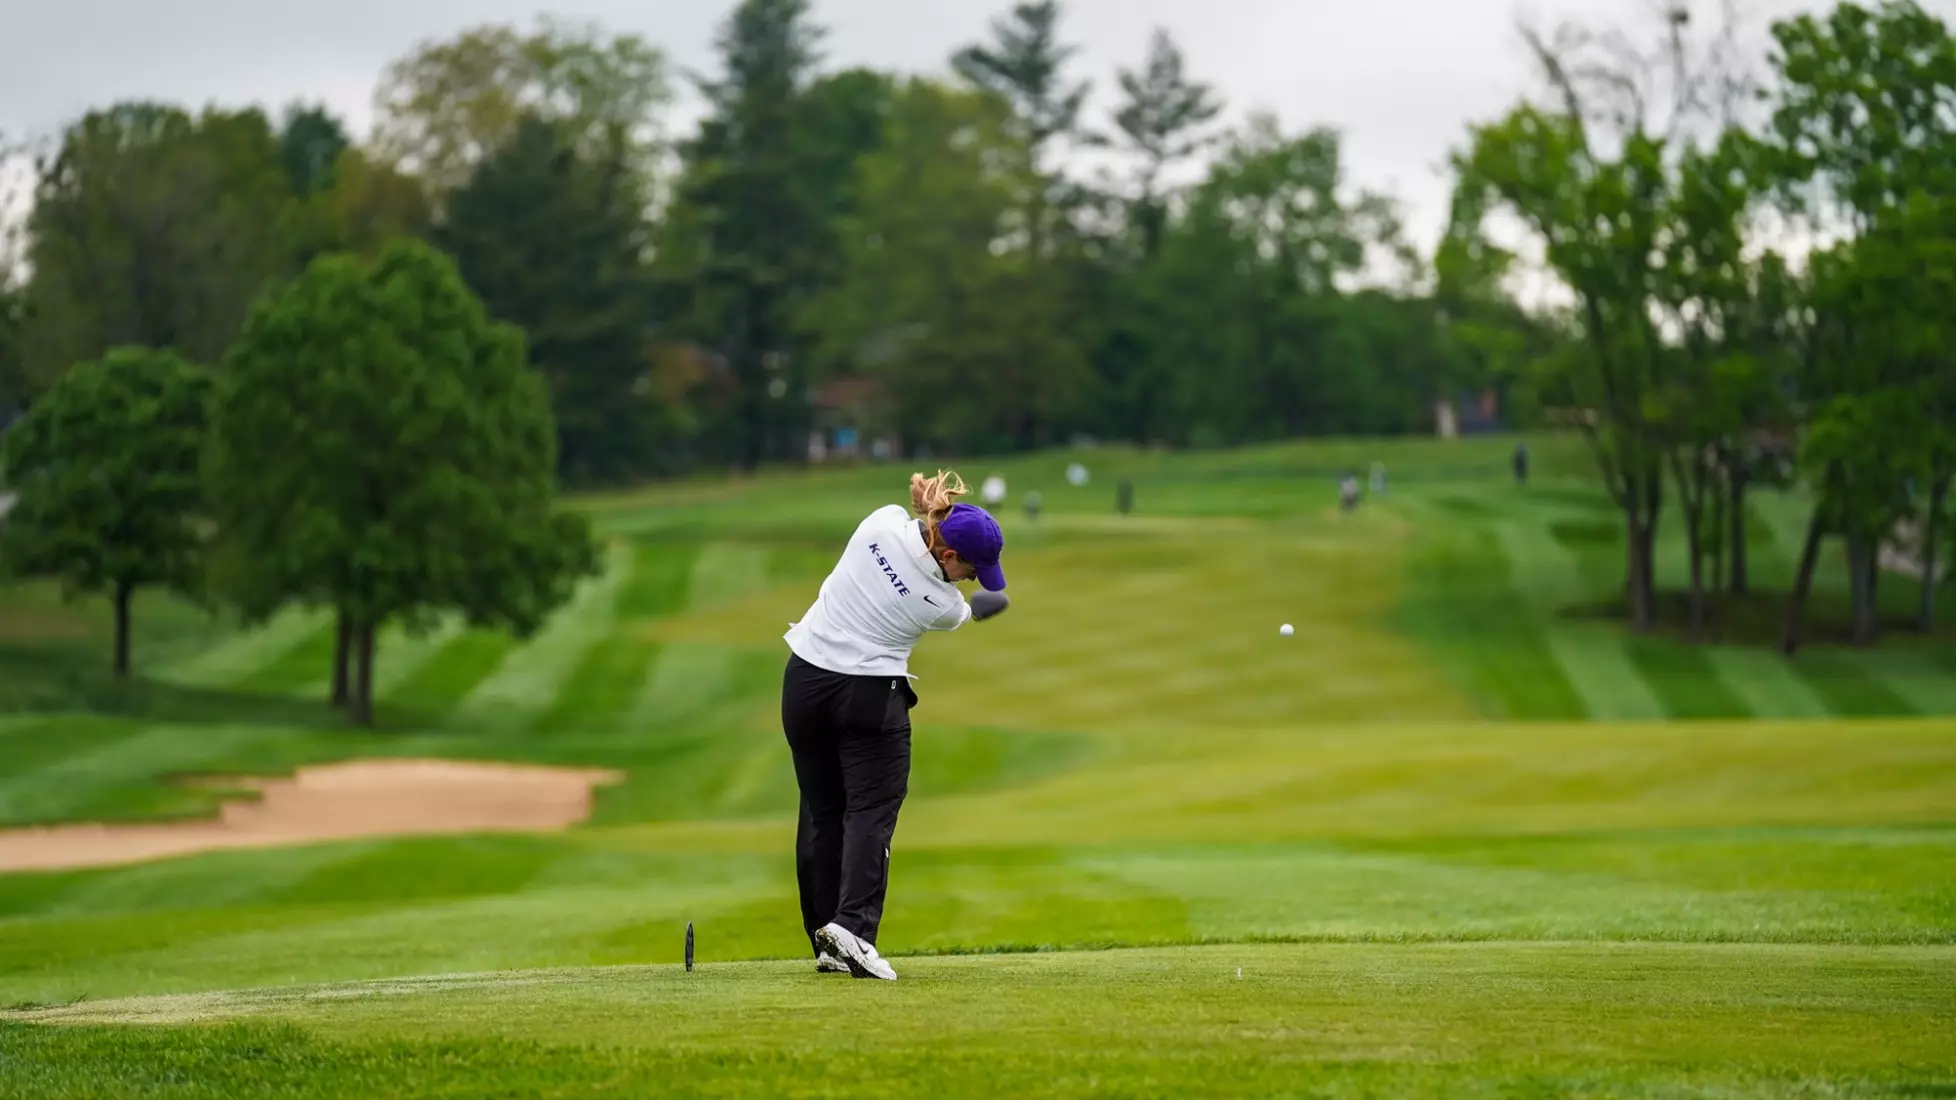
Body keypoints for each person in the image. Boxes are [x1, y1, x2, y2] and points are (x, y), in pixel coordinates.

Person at [779, 470, 1011, 980]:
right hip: (867, 697)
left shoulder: (879, 523)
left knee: (821, 811)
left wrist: (926, 508)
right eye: (973, 568)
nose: (974, 579)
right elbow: (966, 608)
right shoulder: (944, 606)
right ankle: (855, 930)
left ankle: (824, 936)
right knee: (871, 809)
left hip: (803, 683)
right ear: (948, 557)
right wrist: (980, 608)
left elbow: (910, 530)